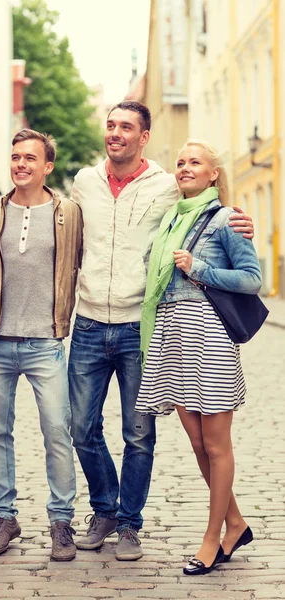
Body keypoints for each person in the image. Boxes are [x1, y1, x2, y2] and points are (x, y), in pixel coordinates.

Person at [69, 101, 254, 561]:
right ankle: (109, 509)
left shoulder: (172, 190)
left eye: (126, 127)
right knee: (84, 428)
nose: (115, 133)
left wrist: (237, 225)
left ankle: (136, 524)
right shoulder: (86, 184)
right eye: (110, 125)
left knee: (144, 434)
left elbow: (241, 262)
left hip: (155, 329)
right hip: (108, 323)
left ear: (144, 136)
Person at [136, 139, 260, 575]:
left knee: (215, 442)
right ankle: (236, 523)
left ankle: (214, 539)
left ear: (213, 175)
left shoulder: (227, 219)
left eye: (196, 163)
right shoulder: (171, 217)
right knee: (195, 440)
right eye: (181, 161)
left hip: (207, 335)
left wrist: (198, 268)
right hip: (172, 333)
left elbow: (251, 279)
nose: (185, 167)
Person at [0, 129, 82, 562]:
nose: (20, 164)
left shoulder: (70, 213)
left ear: (47, 167)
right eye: (15, 157)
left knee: (57, 431)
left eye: (30, 158)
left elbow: (87, 258)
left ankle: (62, 520)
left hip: (46, 342)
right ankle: (4, 517)